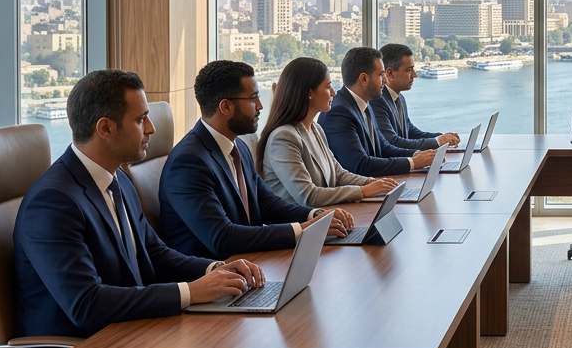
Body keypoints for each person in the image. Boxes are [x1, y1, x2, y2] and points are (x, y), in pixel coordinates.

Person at [13, 70, 265, 348]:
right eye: (140, 119)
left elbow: (156, 253)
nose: (151, 128)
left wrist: (213, 270)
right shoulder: (54, 201)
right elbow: (86, 305)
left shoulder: (118, 180)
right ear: (106, 128)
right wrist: (189, 293)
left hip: (126, 339)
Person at [159, 60, 354, 260]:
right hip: (212, 276)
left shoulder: (238, 147)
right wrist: (301, 230)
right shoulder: (188, 163)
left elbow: (267, 204)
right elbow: (222, 238)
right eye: (253, 99)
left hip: (249, 262)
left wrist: (315, 215)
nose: (260, 106)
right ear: (226, 106)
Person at [258, 57, 400, 208]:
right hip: (302, 225)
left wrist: (369, 182)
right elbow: (308, 196)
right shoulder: (283, 138)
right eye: (328, 87)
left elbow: (338, 173)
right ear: (309, 93)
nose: (333, 92)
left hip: (326, 216)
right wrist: (363, 191)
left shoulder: (315, 129)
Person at [319, 47, 438, 176]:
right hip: (357, 193)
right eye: (381, 75)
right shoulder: (338, 113)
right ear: (364, 79)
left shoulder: (365, 105)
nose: (385, 80)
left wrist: (418, 155)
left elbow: (384, 147)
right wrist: (412, 163)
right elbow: (360, 165)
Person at [372, 42, 461, 152]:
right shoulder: (377, 101)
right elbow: (392, 142)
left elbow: (410, 132)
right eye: (409, 70)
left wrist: (442, 138)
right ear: (390, 73)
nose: (415, 75)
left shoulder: (400, 98)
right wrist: (437, 142)